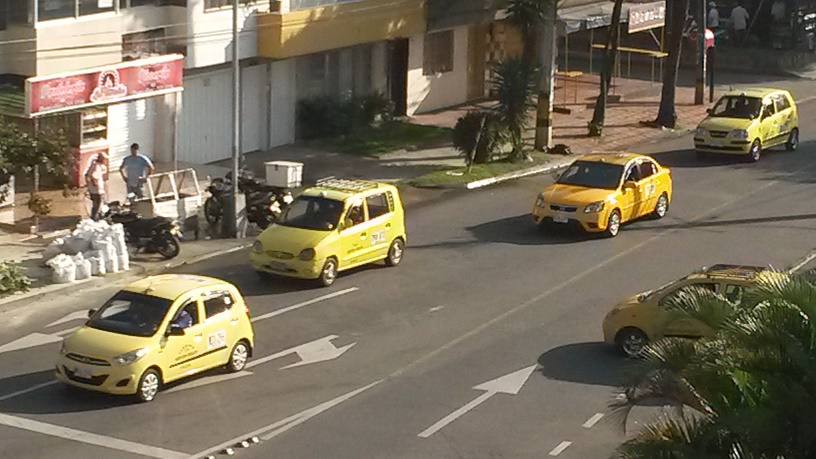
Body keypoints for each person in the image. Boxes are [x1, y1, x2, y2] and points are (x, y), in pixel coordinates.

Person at [85, 152, 109, 221]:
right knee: (98, 205)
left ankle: (95, 217)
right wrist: (96, 186)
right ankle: (95, 219)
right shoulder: (97, 166)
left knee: (96, 204)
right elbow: (93, 177)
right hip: (97, 190)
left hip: (94, 189)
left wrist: (88, 185)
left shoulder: (95, 165)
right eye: (104, 159)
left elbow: (87, 175)